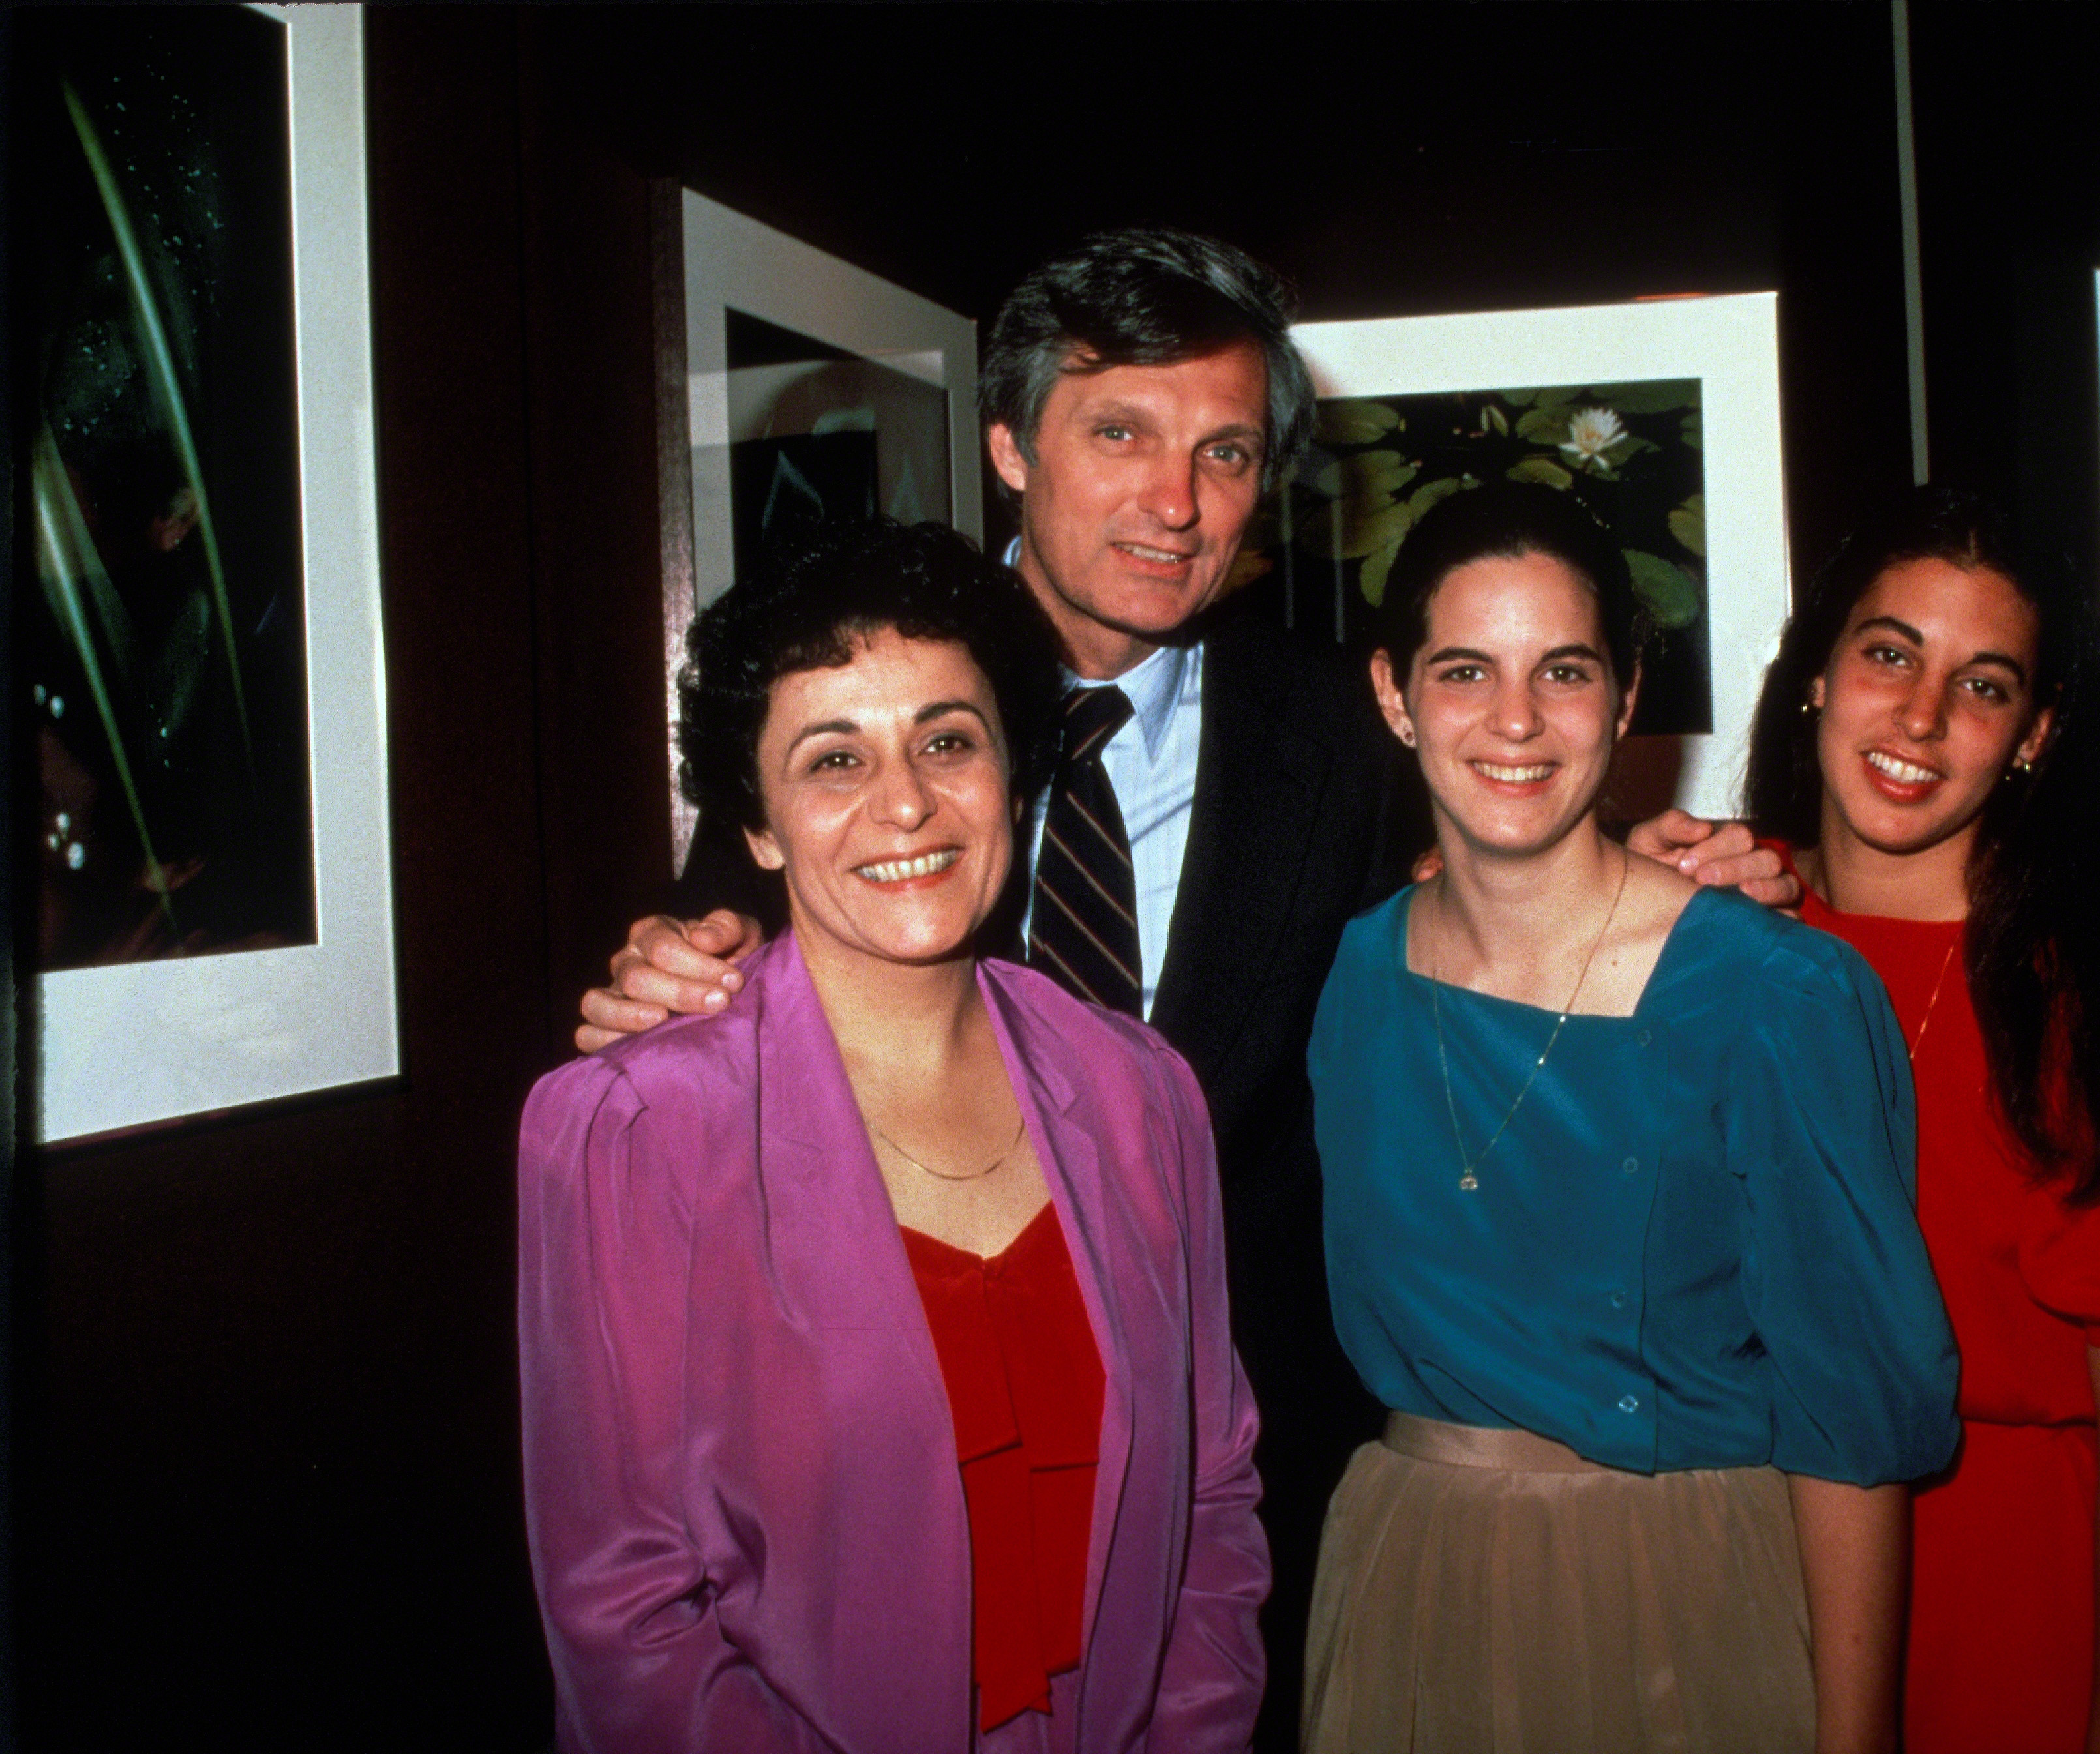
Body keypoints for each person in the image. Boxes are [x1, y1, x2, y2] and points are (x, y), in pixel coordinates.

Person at [572, 228, 1793, 1749]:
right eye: (1120, 433)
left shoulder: (1343, 741)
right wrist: (670, 974)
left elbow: (1509, 898)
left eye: (1223, 451)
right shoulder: (860, 704)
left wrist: (1674, 872)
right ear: (1010, 444)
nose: (1174, 501)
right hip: (865, 1531)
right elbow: (723, 990)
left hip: (1216, 1520)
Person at [518, 517, 1267, 1751]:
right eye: (832, 760)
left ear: (1014, 780)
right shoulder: (630, 1129)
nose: (906, 800)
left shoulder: (1142, 1090)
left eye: (947, 741)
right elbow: (627, 1610)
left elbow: (1212, 1498)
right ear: (758, 825)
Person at [1303, 483, 1958, 1754]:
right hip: (1405, 1583)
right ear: (1392, 693)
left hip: (1681, 1588)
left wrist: (1855, 1736)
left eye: (1561, 670)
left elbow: (1850, 1426)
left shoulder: (1778, 992)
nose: (1512, 721)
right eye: (1461, 671)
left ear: (1624, 692)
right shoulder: (1351, 973)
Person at [1741, 487, 2100, 1754]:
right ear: (1816, 671)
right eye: (1887, 653)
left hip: (1998, 1583)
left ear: (2030, 734)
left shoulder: (2090, 987)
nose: (1917, 714)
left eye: (1981, 684)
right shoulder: (1713, 926)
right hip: (1739, 1563)